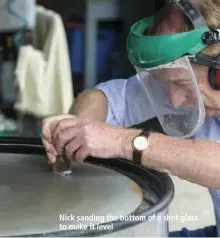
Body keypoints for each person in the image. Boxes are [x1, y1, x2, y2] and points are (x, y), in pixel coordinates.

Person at [42, 0, 220, 236]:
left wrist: (125, 142)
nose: (175, 101)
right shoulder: (191, 86)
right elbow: (108, 99)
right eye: (169, 83)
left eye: (182, 84)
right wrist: (76, 131)